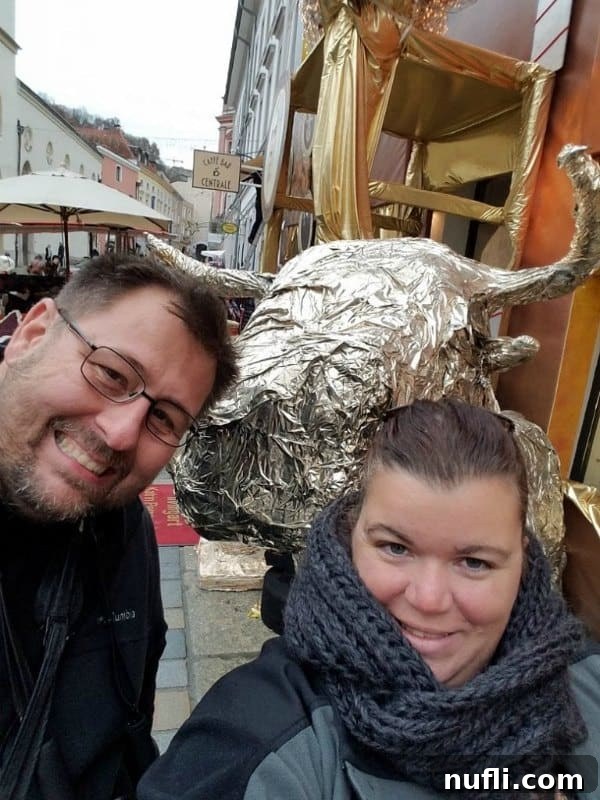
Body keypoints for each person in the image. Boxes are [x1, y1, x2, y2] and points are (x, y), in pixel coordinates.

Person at [138, 399, 600, 800]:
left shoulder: (588, 684)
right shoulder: (256, 738)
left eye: (474, 562)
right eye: (395, 549)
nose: (430, 599)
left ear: (524, 561)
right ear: (349, 538)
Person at [0, 253, 238, 800]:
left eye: (163, 418)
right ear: (32, 333)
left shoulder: (124, 531)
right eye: (111, 373)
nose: (122, 433)